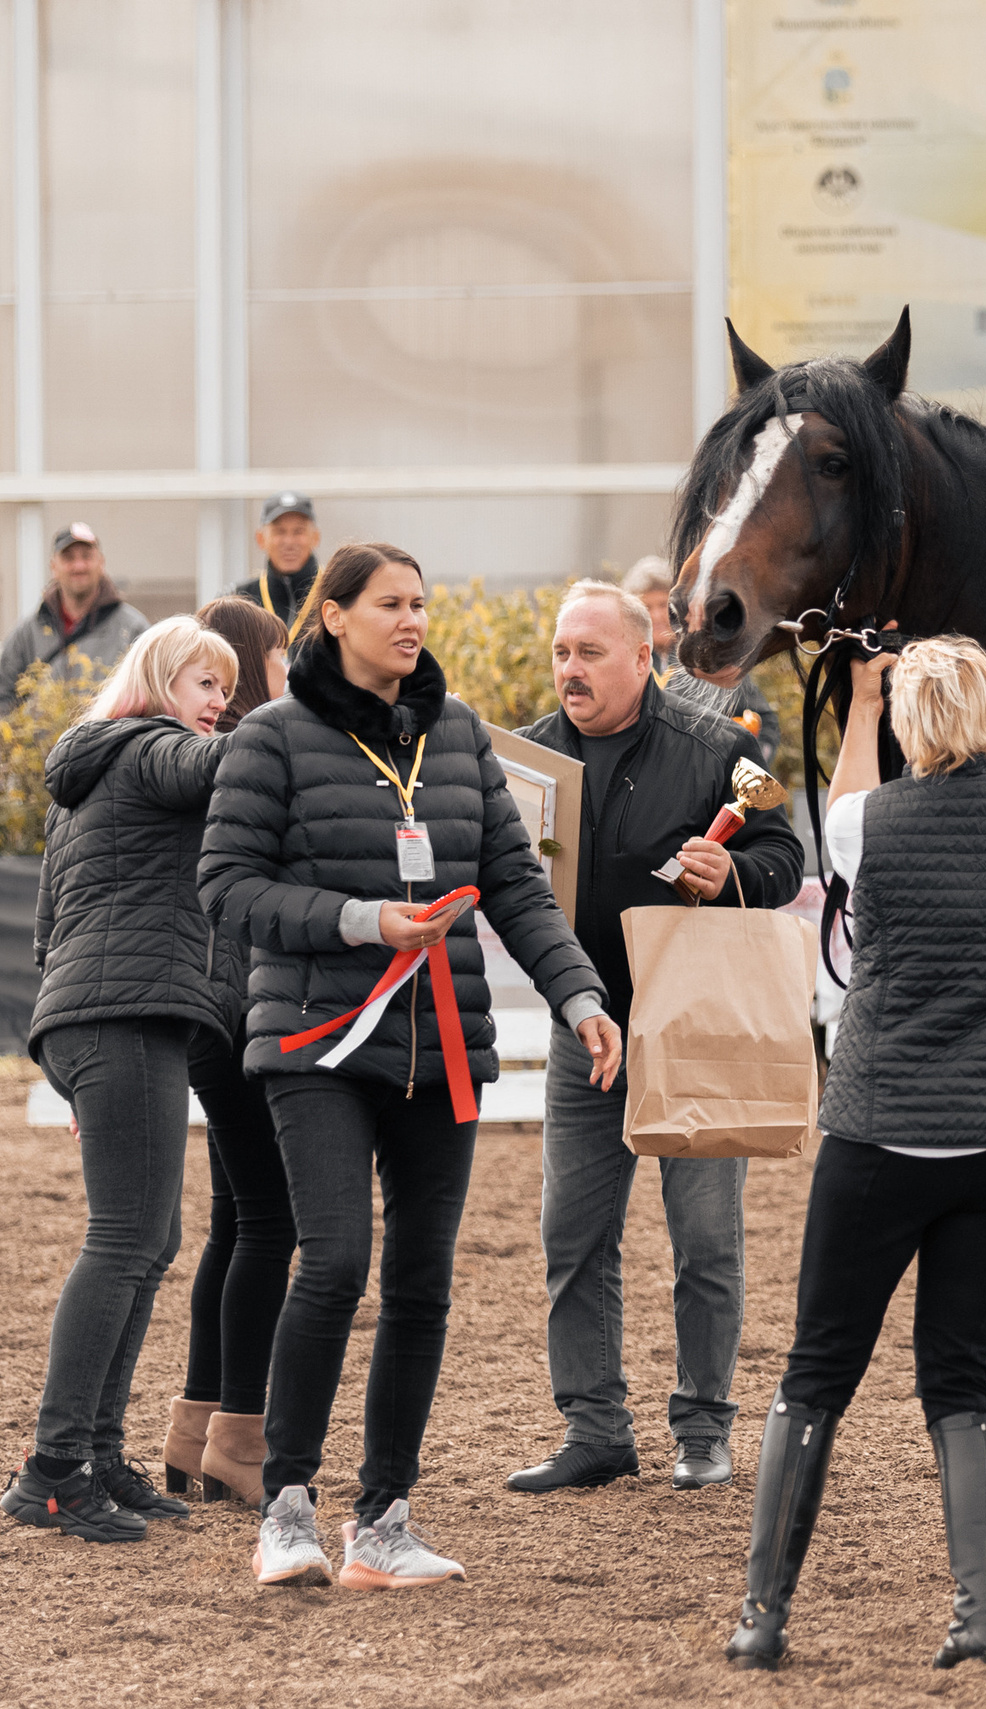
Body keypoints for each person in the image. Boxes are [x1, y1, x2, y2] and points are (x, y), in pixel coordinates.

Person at [200, 542, 617, 1590]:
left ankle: (383, 1519)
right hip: (315, 1041)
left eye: (420, 602)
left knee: (422, 1285)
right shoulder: (271, 737)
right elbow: (227, 886)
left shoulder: (463, 732)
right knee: (333, 1262)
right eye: (390, 603)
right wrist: (358, 919)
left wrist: (578, 994)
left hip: (442, 1045)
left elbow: (515, 885)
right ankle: (286, 1506)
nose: (412, 619)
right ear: (331, 616)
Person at [725, 635, 986, 1674]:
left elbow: (846, 792)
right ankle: (979, 1615)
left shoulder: (861, 823)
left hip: (881, 1132)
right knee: (958, 1380)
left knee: (817, 1370)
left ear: (911, 721)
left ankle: (764, 1613)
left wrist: (864, 702)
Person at [502, 581, 802, 1497]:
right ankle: (595, 1429)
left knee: (704, 1237)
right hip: (582, 1021)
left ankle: (703, 1428)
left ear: (644, 657)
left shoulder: (719, 749)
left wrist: (735, 870)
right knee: (572, 1233)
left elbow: (787, 857)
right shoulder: (528, 760)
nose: (570, 669)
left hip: (693, 1022)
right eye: (561, 652)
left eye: (590, 652)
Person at [0, 616, 242, 1543]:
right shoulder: (153, 749)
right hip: (125, 1016)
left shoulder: (88, 774)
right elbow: (209, 770)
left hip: (94, 1018)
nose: (219, 705)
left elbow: (44, 928)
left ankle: (96, 1453)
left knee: (148, 1239)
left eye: (225, 688)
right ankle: (53, 1468)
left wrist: (71, 1057)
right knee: (124, 1241)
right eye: (205, 684)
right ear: (157, 683)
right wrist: (309, 708)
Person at [160, 597, 299, 1507]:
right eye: (281, 657)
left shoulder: (209, 758)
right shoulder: (253, 757)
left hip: (214, 1009)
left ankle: (194, 1429)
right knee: (272, 1222)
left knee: (237, 1221)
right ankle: (239, 1438)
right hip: (242, 1004)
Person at [621, 556, 781, 765]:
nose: (657, 615)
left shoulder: (710, 656)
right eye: (646, 607)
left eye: (663, 604)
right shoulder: (623, 664)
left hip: (710, 783)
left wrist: (748, 766)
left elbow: (765, 722)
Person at [0, 523, 150, 716]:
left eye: (86, 557)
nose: (79, 566)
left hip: (111, 746)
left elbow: (151, 697)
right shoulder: (27, 634)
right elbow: (2, 702)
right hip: (43, 747)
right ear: (53, 567)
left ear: (101, 563)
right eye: (69, 558)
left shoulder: (133, 630)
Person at [234, 492, 322, 625]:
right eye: (279, 531)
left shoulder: (337, 593)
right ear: (260, 539)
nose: (289, 542)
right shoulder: (239, 600)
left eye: (299, 531)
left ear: (315, 537)